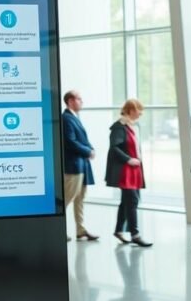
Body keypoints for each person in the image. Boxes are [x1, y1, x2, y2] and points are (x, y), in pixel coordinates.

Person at [105, 99, 152, 247]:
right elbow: (114, 148)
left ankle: (119, 230)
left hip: (133, 171)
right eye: (139, 110)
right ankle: (135, 234)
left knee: (127, 201)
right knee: (132, 201)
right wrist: (128, 159)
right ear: (131, 110)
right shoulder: (119, 127)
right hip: (126, 171)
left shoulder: (131, 126)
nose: (141, 113)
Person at [61, 90, 98, 241]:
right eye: (79, 99)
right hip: (74, 165)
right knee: (67, 198)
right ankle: (57, 229)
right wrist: (88, 151)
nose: (82, 101)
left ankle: (80, 230)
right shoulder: (66, 118)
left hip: (82, 164)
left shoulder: (75, 117)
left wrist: (91, 149)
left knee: (80, 199)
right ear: (70, 101)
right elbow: (70, 141)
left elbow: (82, 139)